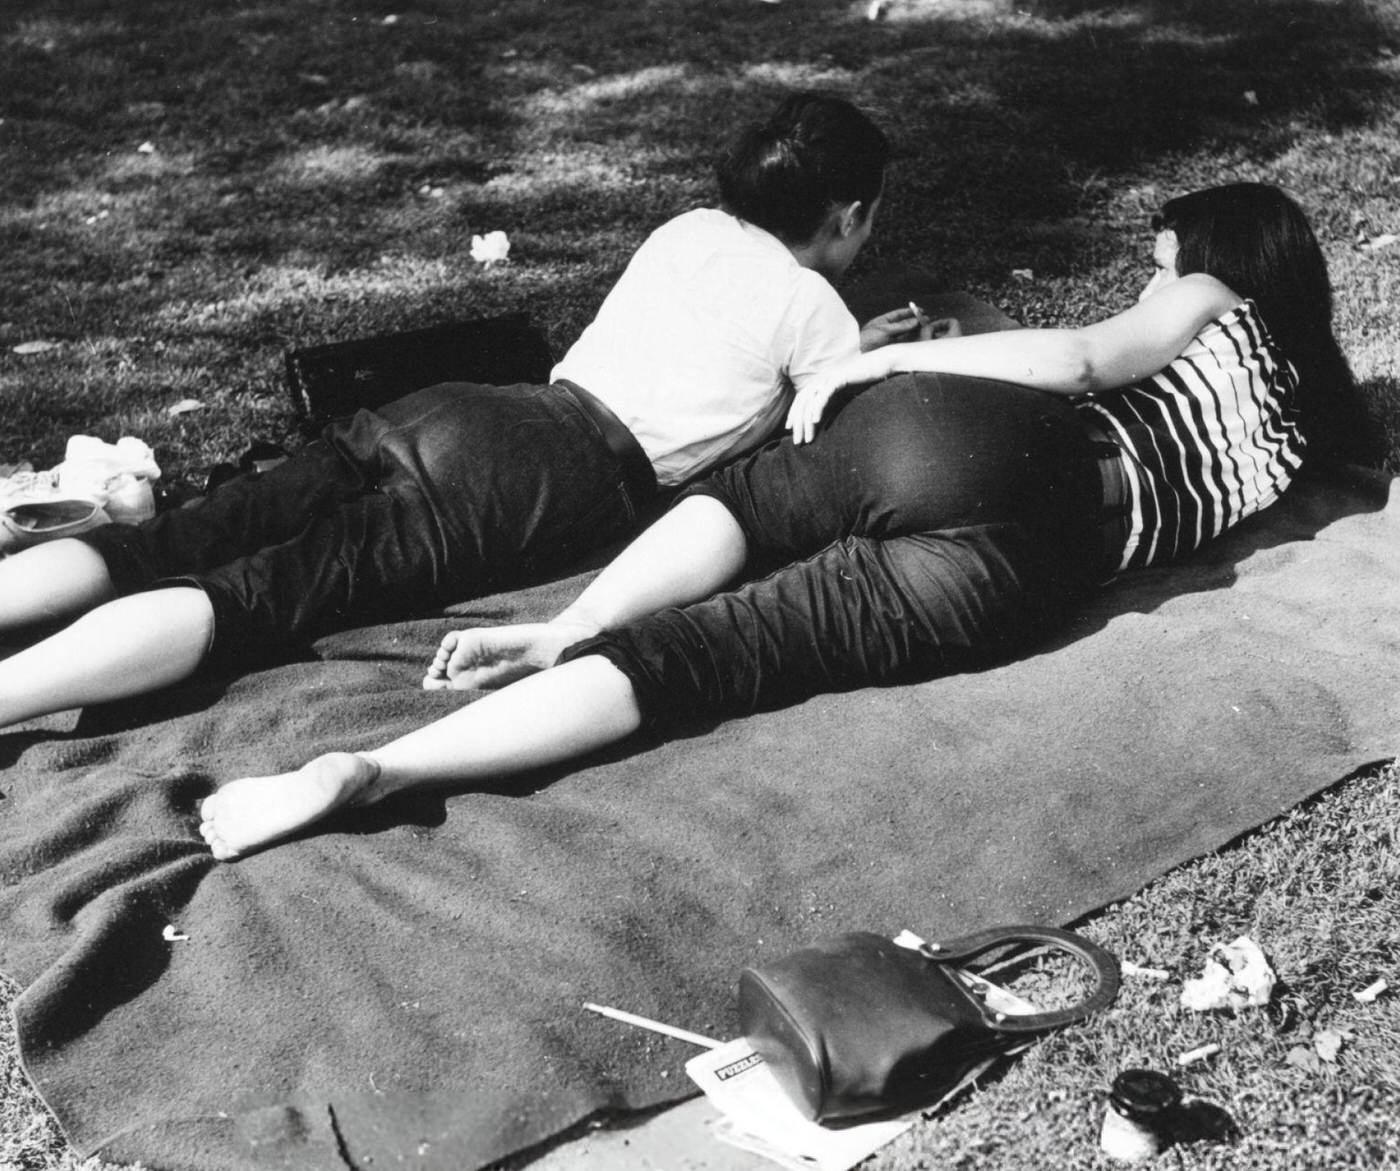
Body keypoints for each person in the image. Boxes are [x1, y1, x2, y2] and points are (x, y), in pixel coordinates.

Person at [193, 181, 1367, 860]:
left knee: (741, 509)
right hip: (1044, 563)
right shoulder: (1308, 416)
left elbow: (1077, 356)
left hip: (998, 439)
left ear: (1212, 258)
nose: (1151, 278)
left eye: (1157, 263)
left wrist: (856, 377)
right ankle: (379, 767)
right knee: (715, 658)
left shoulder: (1213, 293)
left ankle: (564, 632)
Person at [0, 92, 915, 731]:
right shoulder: (814, 310)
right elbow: (821, 422)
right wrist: (866, 352)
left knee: (184, 534)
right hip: (552, 472)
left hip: (471, 409)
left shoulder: (690, 230)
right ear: (844, 216)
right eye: (867, 222)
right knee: (262, 596)